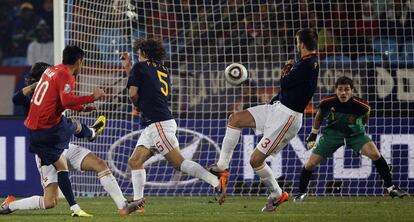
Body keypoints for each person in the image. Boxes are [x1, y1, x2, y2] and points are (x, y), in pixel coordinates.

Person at [1, 62, 143, 217]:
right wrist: (36, 85)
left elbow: (65, 102)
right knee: (50, 202)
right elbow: (16, 99)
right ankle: (11, 205)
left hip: (63, 144)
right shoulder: (34, 101)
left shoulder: (51, 93)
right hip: (48, 150)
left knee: (99, 164)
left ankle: (124, 206)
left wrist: (82, 107)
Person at [209, 28, 319, 212]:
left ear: (301, 43)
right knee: (235, 119)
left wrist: (287, 67)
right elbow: (289, 89)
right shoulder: (306, 62)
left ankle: (277, 193)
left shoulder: (308, 64)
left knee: (255, 161)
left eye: (297, 41)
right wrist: (277, 97)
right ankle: (222, 166)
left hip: (287, 118)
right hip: (277, 108)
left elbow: (285, 82)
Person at [120, 39, 229, 208]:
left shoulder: (140, 67)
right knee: (135, 161)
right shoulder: (162, 69)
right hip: (155, 123)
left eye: (139, 52)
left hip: (158, 123)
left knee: (178, 163)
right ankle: (137, 202)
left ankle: (216, 181)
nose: (137, 55)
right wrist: (128, 68)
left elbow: (133, 93)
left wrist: (136, 105)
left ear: (144, 53)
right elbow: (143, 85)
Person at [294, 76, 409, 201]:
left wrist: (361, 128)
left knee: (376, 154)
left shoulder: (361, 105)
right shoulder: (327, 102)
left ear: (352, 91)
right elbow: (319, 116)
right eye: (340, 89)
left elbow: (366, 116)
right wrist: (313, 134)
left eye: (347, 89)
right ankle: (301, 193)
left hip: (355, 135)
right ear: (336, 90)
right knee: (310, 164)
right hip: (332, 135)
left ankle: (391, 188)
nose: (343, 93)